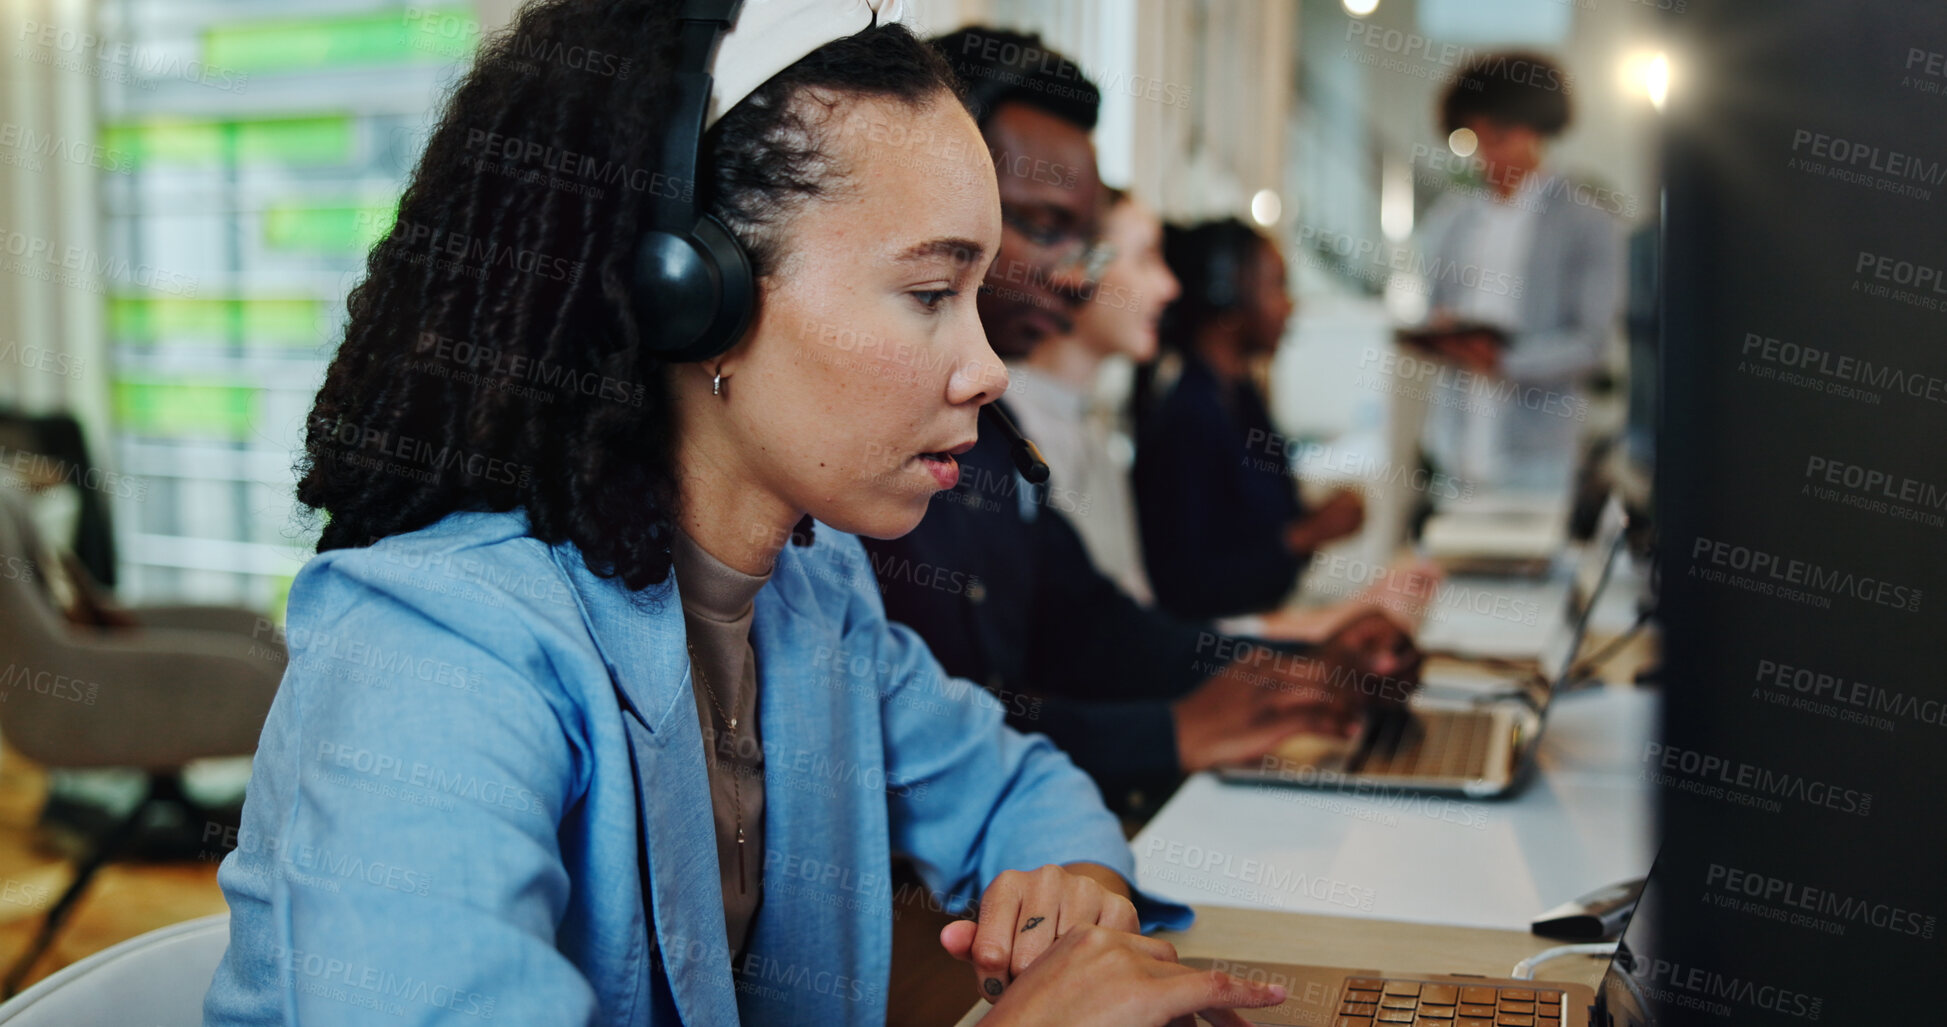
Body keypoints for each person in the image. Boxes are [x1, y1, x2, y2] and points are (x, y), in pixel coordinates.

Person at [201, 5, 1295, 1025]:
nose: (986, 367)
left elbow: (1020, 784)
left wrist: (1076, 893)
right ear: (692, 291)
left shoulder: (813, 601)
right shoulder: (438, 650)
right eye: (928, 295)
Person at [864, 28, 1419, 820]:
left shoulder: (991, 435)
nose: (1072, 278)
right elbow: (910, 744)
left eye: (1087, 244)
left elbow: (1095, 629)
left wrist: (1290, 666)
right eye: (1043, 226)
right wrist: (1169, 734)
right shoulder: (852, 456)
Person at [1403, 51, 1625, 491]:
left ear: (1536, 132)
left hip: (1538, 458)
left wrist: (1505, 362)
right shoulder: (1452, 221)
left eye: (1499, 137)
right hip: (1455, 450)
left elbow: (1591, 343)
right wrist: (1443, 334)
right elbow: (1436, 309)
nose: (1486, 155)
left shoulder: (1586, 222)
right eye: (1475, 140)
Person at [1133, 219, 1367, 622]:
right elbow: (1187, 583)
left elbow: (1256, 526)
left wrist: (1313, 521)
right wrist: (1307, 535)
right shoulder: (1189, 416)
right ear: (1228, 294)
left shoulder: (1240, 397)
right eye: (1277, 286)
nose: (1289, 305)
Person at [999, 186, 1175, 604]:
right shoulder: (1009, 430)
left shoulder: (1090, 428)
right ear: (1080, 267)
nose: (1168, 286)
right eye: (1145, 257)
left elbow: (1132, 613)